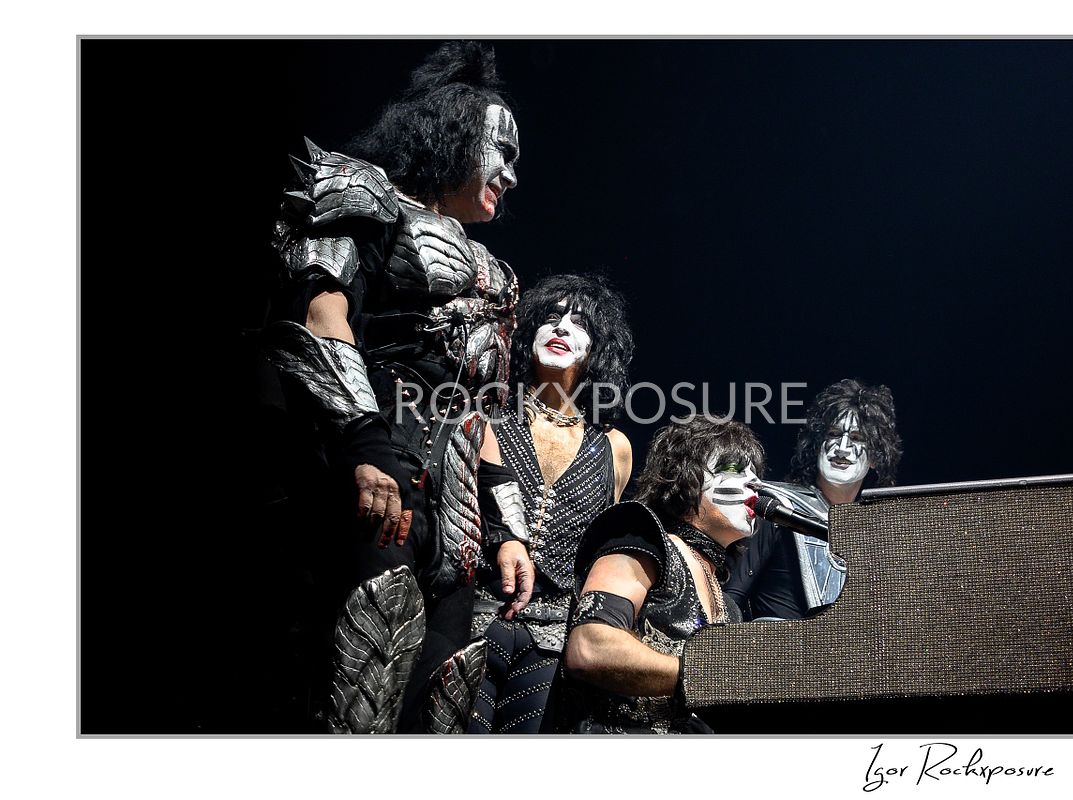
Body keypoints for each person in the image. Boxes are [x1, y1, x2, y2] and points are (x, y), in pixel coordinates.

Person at [263, 41, 535, 732]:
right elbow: (322, 316)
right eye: (499, 150)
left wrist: (507, 530)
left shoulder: (499, 276)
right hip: (375, 474)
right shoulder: (363, 192)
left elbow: (489, 413)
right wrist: (366, 446)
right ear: (451, 132)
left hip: (458, 519)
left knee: (437, 707)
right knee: (359, 687)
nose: (509, 172)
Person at [465, 273, 635, 733]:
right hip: (472, 621)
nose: (561, 327)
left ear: (597, 350)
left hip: (553, 643)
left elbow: (602, 554)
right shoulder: (488, 417)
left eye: (579, 322)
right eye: (550, 317)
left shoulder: (614, 447)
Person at [562, 418, 764, 733]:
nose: (754, 483)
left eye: (755, 473)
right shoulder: (642, 540)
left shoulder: (730, 608)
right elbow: (589, 647)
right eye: (735, 469)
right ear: (686, 476)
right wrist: (700, 676)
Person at [724, 378, 902, 621]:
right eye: (833, 434)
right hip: (775, 653)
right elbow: (731, 598)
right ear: (817, 444)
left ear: (875, 458)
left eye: (858, 438)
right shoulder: (778, 507)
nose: (842, 447)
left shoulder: (875, 531)